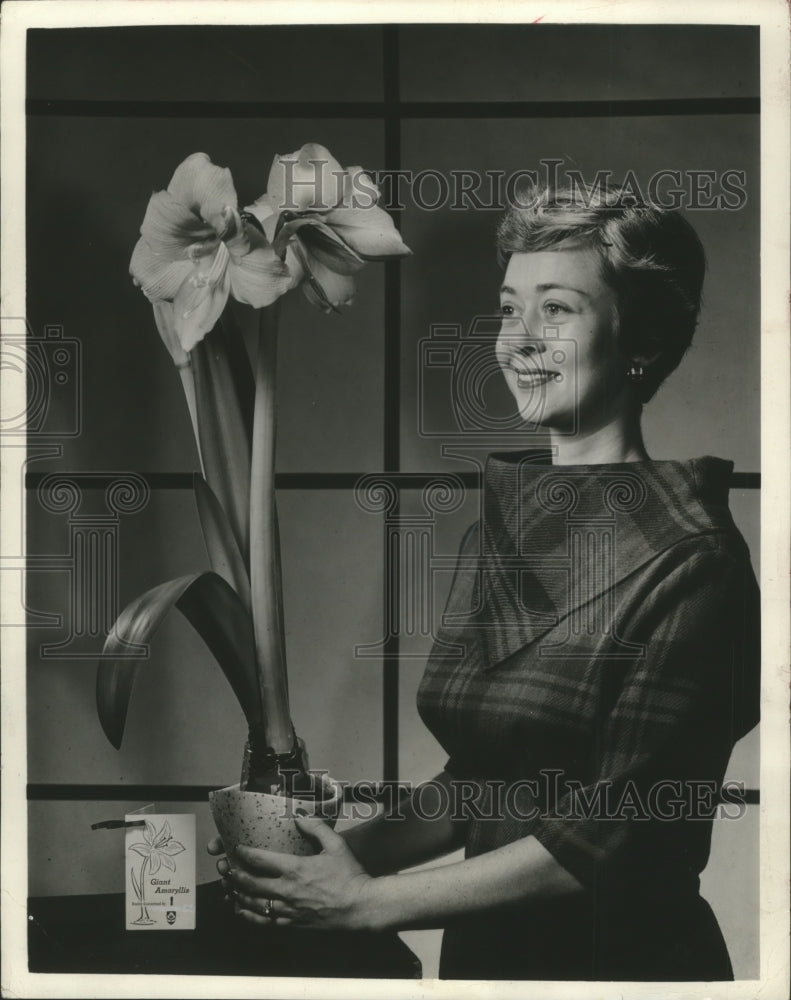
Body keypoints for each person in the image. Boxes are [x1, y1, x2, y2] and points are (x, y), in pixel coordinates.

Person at [208, 181, 761, 981]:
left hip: (622, 969)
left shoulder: (693, 560)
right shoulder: (502, 526)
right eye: (509, 308)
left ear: (639, 335)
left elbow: (617, 832)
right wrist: (326, 864)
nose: (520, 340)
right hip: (488, 967)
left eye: (557, 309)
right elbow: (482, 783)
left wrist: (365, 904)